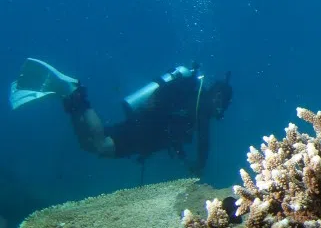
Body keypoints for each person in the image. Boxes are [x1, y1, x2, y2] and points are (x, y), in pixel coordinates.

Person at [9, 59, 232, 174]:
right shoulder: (201, 103)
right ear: (218, 96)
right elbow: (203, 140)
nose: (220, 111)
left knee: (88, 144)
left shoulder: (192, 97)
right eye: (223, 104)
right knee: (102, 146)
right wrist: (200, 165)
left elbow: (176, 128)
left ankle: (70, 99)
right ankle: (77, 94)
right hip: (144, 131)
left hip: (143, 126)